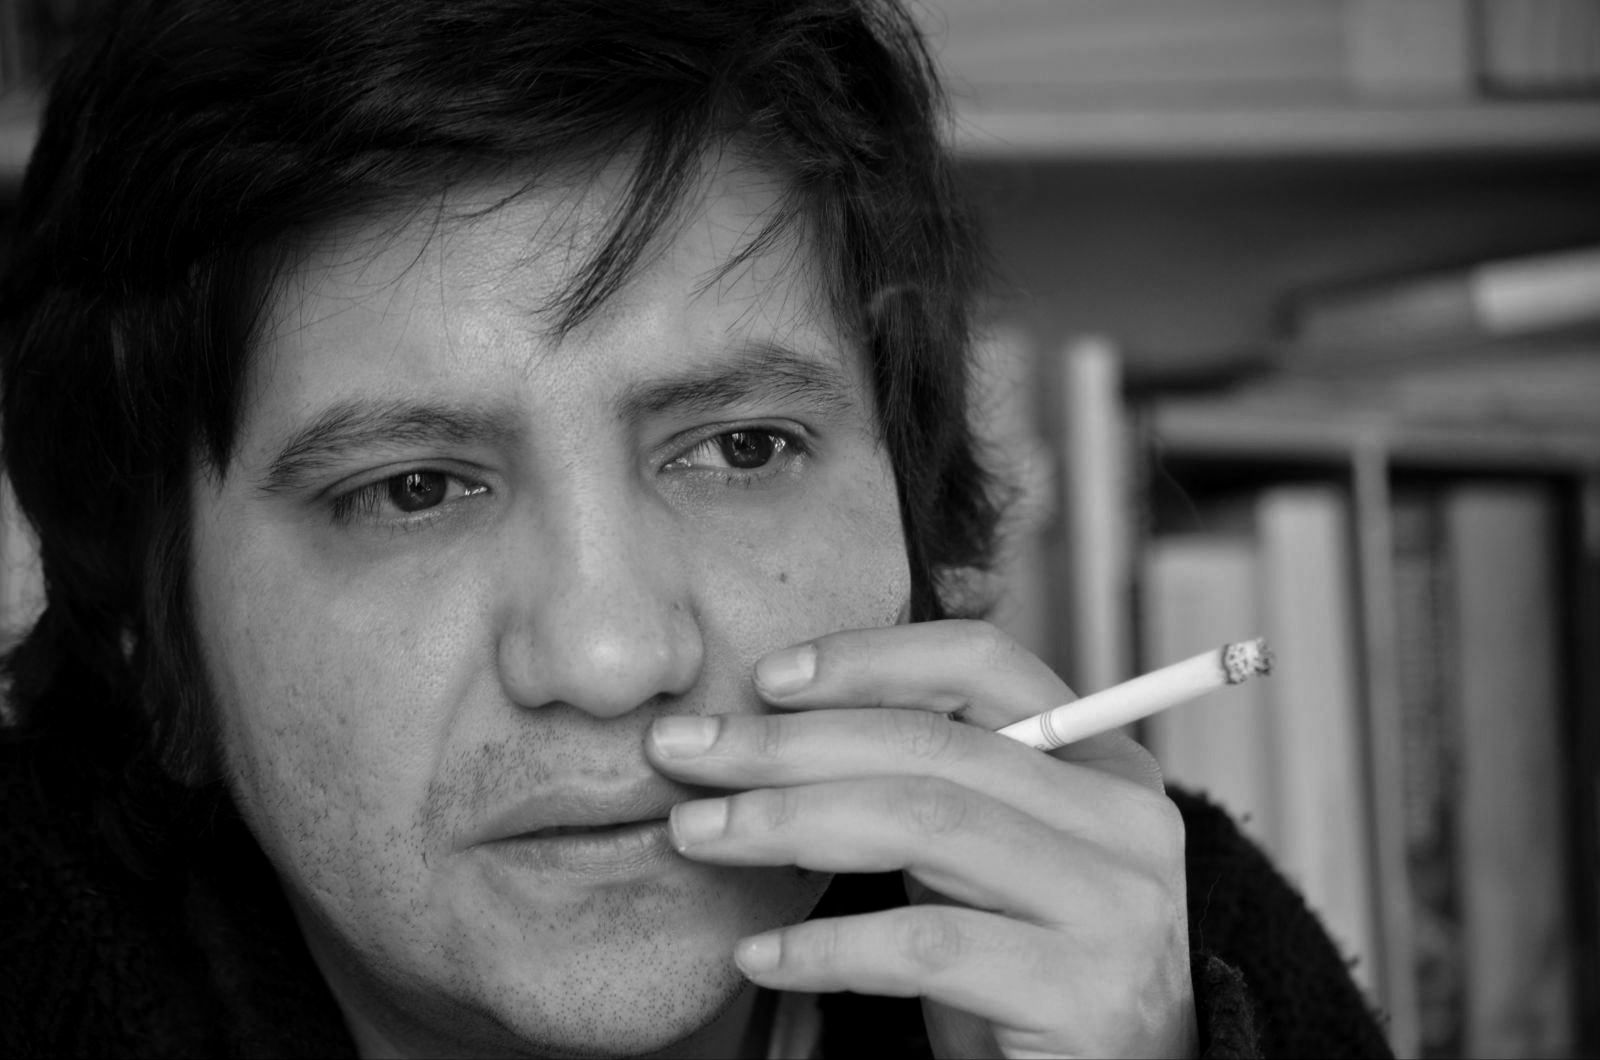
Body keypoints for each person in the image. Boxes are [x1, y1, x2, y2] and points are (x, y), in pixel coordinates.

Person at [0, 1, 1393, 1056]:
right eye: (412, 489)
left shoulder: (1164, 946)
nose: (611, 658)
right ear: (147, 616)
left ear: (911, 520)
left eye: (740, 449)